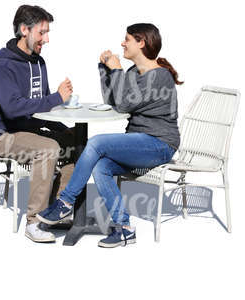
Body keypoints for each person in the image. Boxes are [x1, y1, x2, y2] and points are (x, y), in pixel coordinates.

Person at [37, 23, 183, 248]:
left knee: (96, 143)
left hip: (159, 144)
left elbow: (124, 105)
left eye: (127, 39)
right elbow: (113, 102)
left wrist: (116, 70)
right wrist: (105, 69)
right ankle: (124, 229)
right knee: (101, 167)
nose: (122, 43)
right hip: (140, 144)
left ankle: (65, 202)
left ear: (141, 42)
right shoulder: (135, 72)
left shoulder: (159, 76)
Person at [0, 5, 75, 243]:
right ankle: (34, 222)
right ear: (24, 30)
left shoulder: (39, 63)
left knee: (78, 142)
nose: (47, 39)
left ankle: (57, 210)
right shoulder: (4, 66)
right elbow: (13, 109)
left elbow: (41, 106)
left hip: (29, 131)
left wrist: (63, 130)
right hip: (2, 136)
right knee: (48, 148)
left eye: (47, 32)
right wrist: (56, 98)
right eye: (42, 32)